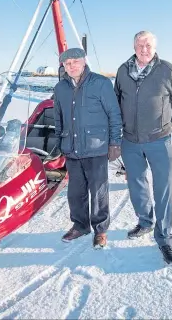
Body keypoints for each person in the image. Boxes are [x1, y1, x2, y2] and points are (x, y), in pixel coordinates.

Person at [113, 30, 172, 265]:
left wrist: (165, 124)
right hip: (130, 141)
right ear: (133, 46)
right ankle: (145, 222)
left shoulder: (168, 71)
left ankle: (164, 238)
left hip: (159, 141)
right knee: (136, 184)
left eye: (148, 45)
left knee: (163, 189)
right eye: (139, 44)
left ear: (155, 47)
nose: (144, 49)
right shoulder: (123, 71)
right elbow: (117, 100)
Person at [53, 48, 122, 249]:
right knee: (76, 192)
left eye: (75, 61)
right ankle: (80, 225)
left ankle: (100, 230)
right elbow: (59, 118)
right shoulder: (60, 88)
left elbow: (114, 114)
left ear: (84, 62)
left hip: (96, 147)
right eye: (67, 63)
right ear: (63, 67)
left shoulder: (100, 83)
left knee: (98, 191)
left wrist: (115, 143)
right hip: (72, 148)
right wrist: (59, 142)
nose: (71, 66)